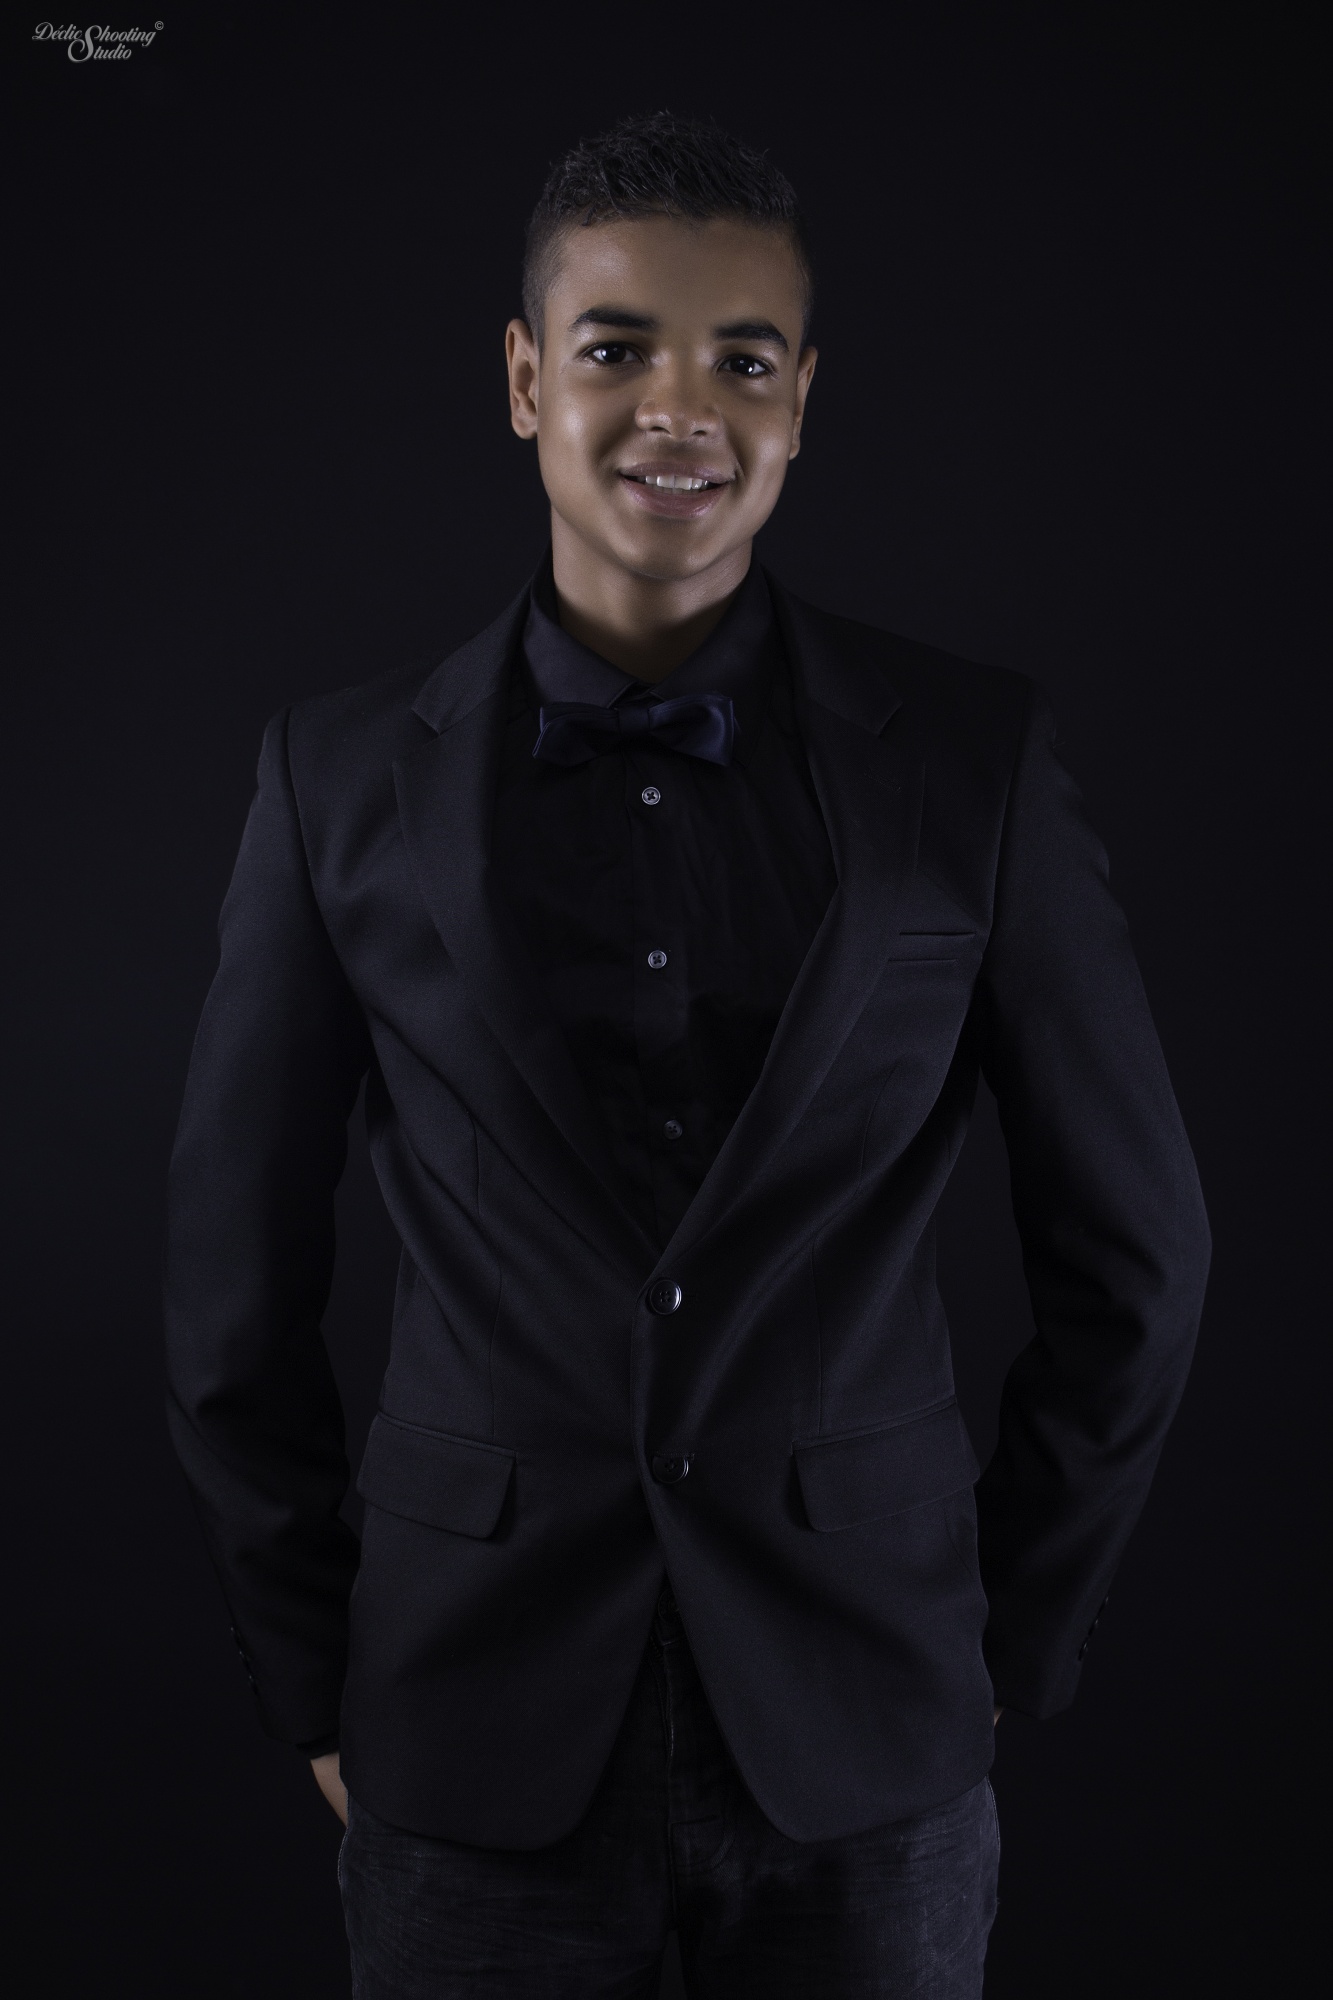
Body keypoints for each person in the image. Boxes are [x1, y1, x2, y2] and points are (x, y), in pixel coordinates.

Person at [165, 112, 1210, 1998]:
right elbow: (229, 1284)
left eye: (741, 359)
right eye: (616, 346)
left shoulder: (968, 762)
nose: (680, 407)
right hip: (464, 1720)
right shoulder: (335, 777)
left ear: (801, 400)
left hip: (871, 1725)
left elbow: (1136, 1252)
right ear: (522, 381)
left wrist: (1001, 1641)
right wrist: (313, 1673)